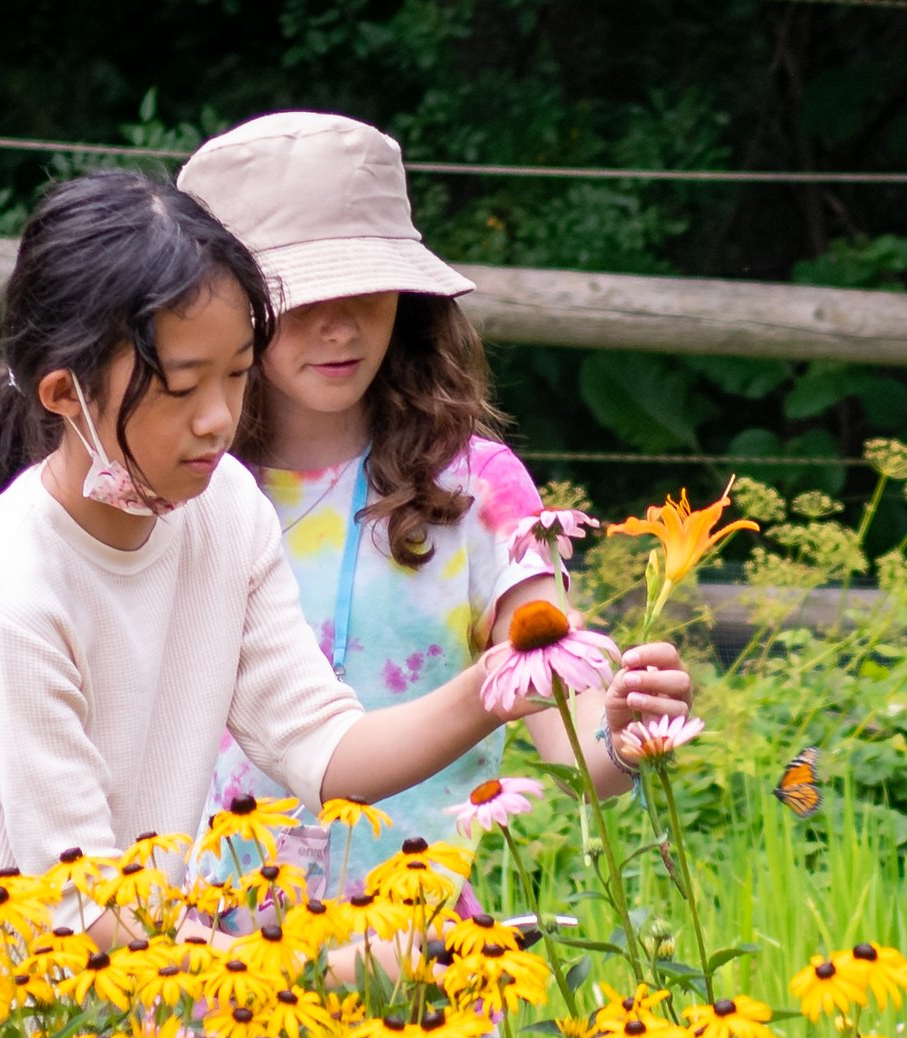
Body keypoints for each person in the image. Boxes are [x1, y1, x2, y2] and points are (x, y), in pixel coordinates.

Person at [0, 169, 691, 954]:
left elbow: (325, 749)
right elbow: (89, 911)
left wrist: (503, 681)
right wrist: (334, 976)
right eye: (182, 387)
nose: (218, 419)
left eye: (239, 374)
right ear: (67, 395)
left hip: (123, 1015)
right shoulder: (8, 601)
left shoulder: (223, 510)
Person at [175, 112, 692, 899]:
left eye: (365, 285)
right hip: (200, 971)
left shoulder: (478, 490)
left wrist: (626, 733)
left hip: (423, 970)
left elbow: (571, 736)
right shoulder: (181, 489)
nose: (338, 323)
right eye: (297, 295)